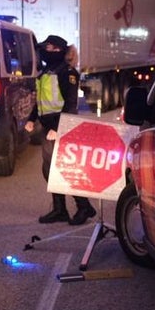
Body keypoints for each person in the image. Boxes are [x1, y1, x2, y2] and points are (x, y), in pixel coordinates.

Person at [24, 34, 96, 225]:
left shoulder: (67, 72)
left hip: (62, 128)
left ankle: (84, 207)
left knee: (65, 170)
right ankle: (60, 209)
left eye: (47, 48)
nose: (44, 51)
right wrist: (32, 119)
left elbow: (71, 104)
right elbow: (41, 101)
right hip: (48, 128)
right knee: (50, 170)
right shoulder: (48, 71)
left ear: (57, 50)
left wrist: (58, 128)